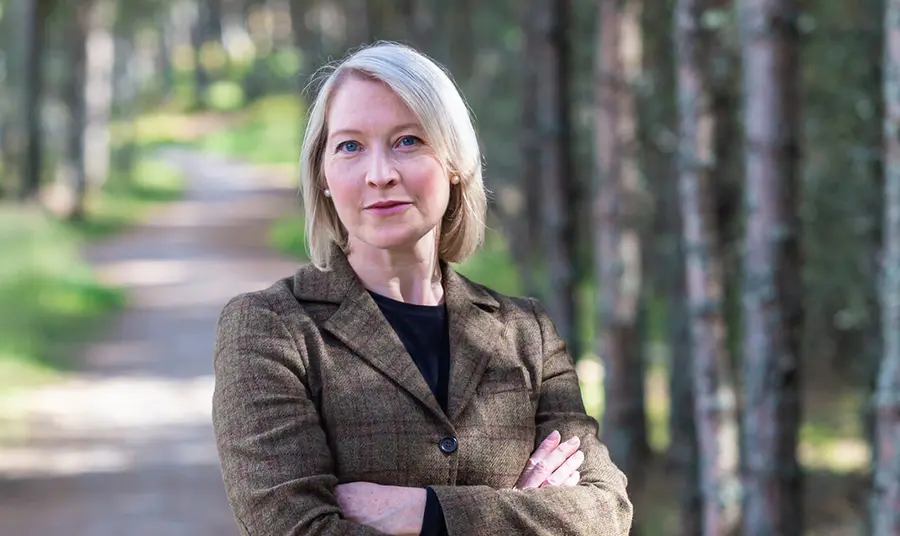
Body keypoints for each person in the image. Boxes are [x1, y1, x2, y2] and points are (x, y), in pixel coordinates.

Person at [211, 42, 633, 536]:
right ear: (323, 176)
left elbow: (606, 512)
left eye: (408, 141)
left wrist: (425, 513)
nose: (380, 174)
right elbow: (296, 529)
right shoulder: (270, 329)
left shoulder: (527, 333)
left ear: (454, 161)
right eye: (349, 146)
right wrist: (523, 514)